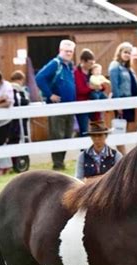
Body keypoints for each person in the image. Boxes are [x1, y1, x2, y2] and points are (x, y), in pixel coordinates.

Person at [35, 39, 76, 170]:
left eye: (71, 51)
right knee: (57, 134)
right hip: (58, 106)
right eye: (66, 51)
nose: (68, 53)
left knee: (67, 134)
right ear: (60, 51)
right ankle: (57, 163)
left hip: (69, 106)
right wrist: (49, 94)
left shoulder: (69, 66)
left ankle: (61, 162)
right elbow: (39, 77)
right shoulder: (55, 64)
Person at [108, 42, 137, 154]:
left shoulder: (127, 67)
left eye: (129, 53)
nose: (127, 55)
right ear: (120, 52)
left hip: (130, 100)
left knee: (126, 127)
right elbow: (115, 86)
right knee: (120, 128)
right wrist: (118, 104)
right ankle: (123, 154)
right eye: (125, 52)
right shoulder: (115, 66)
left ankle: (124, 153)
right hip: (122, 99)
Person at [74, 48, 96, 136]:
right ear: (83, 61)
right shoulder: (77, 73)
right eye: (90, 63)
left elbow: (101, 85)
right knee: (84, 129)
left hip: (92, 103)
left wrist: (99, 87)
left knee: (96, 128)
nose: (91, 65)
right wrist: (92, 88)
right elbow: (80, 90)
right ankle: (83, 149)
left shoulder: (92, 72)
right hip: (82, 104)